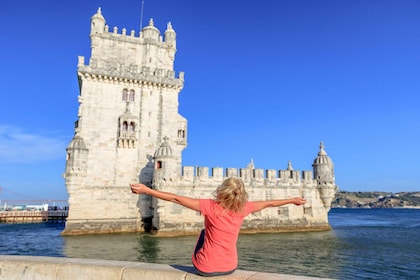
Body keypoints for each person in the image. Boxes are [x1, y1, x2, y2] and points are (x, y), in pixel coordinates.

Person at [130, 177, 306, 277]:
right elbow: (270, 204)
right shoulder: (245, 208)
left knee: (205, 233)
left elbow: (176, 198)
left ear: (222, 191)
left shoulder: (210, 206)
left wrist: (147, 190)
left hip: (205, 268)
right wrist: (292, 200)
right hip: (230, 266)